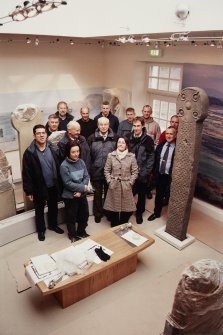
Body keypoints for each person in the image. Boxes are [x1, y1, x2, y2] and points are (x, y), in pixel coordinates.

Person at [22, 124, 64, 241]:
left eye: (43, 133)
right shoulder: (29, 152)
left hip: (53, 184)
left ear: (46, 134)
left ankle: (53, 225)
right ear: (34, 135)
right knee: (39, 209)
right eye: (38, 133)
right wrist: (28, 190)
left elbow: (59, 164)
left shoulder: (53, 148)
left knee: (53, 206)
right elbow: (26, 173)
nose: (41, 135)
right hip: (39, 186)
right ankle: (41, 230)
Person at [88, 117, 118, 223]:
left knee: (109, 193)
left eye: (105, 124)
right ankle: (98, 213)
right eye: (101, 124)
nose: (103, 126)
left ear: (109, 125)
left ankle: (108, 212)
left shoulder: (115, 137)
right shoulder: (92, 138)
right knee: (97, 193)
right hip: (96, 171)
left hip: (110, 172)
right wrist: (89, 170)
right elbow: (88, 156)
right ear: (98, 125)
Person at [104, 137, 138, 227]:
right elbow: (106, 170)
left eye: (123, 143)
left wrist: (130, 182)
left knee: (126, 208)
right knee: (114, 207)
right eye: (119, 142)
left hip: (126, 185)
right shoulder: (111, 156)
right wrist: (109, 181)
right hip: (114, 185)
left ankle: (123, 225)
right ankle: (114, 226)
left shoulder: (131, 156)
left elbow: (135, 172)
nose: (121, 144)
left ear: (126, 145)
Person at [60, 142, 90, 242]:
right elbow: (67, 183)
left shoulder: (81, 162)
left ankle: (81, 231)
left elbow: (86, 177)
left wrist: (81, 191)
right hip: (70, 196)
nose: (76, 154)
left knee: (84, 214)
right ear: (68, 152)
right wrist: (82, 188)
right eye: (73, 152)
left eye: (77, 151)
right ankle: (72, 235)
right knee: (71, 217)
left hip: (81, 194)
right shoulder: (64, 166)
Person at [127, 117, 154, 224]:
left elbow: (151, 157)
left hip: (142, 172)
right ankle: (128, 210)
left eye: (138, 126)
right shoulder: (128, 137)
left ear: (143, 126)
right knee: (129, 193)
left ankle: (139, 213)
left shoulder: (148, 140)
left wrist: (146, 171)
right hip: (129, 173)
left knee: (141, 195)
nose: (136, 128)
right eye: (134, 126)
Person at [148, 126, 177, 221]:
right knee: (159, 195)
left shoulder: (178, 148)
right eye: (167, 133)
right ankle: (156, 213)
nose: (168, 135)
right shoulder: (161, 145)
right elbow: (156, 159)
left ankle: (173, 219)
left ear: (175, 135)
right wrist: (153, 172)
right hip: (160, 174)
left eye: (171, 134)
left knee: (172, 196)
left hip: (171, 176)